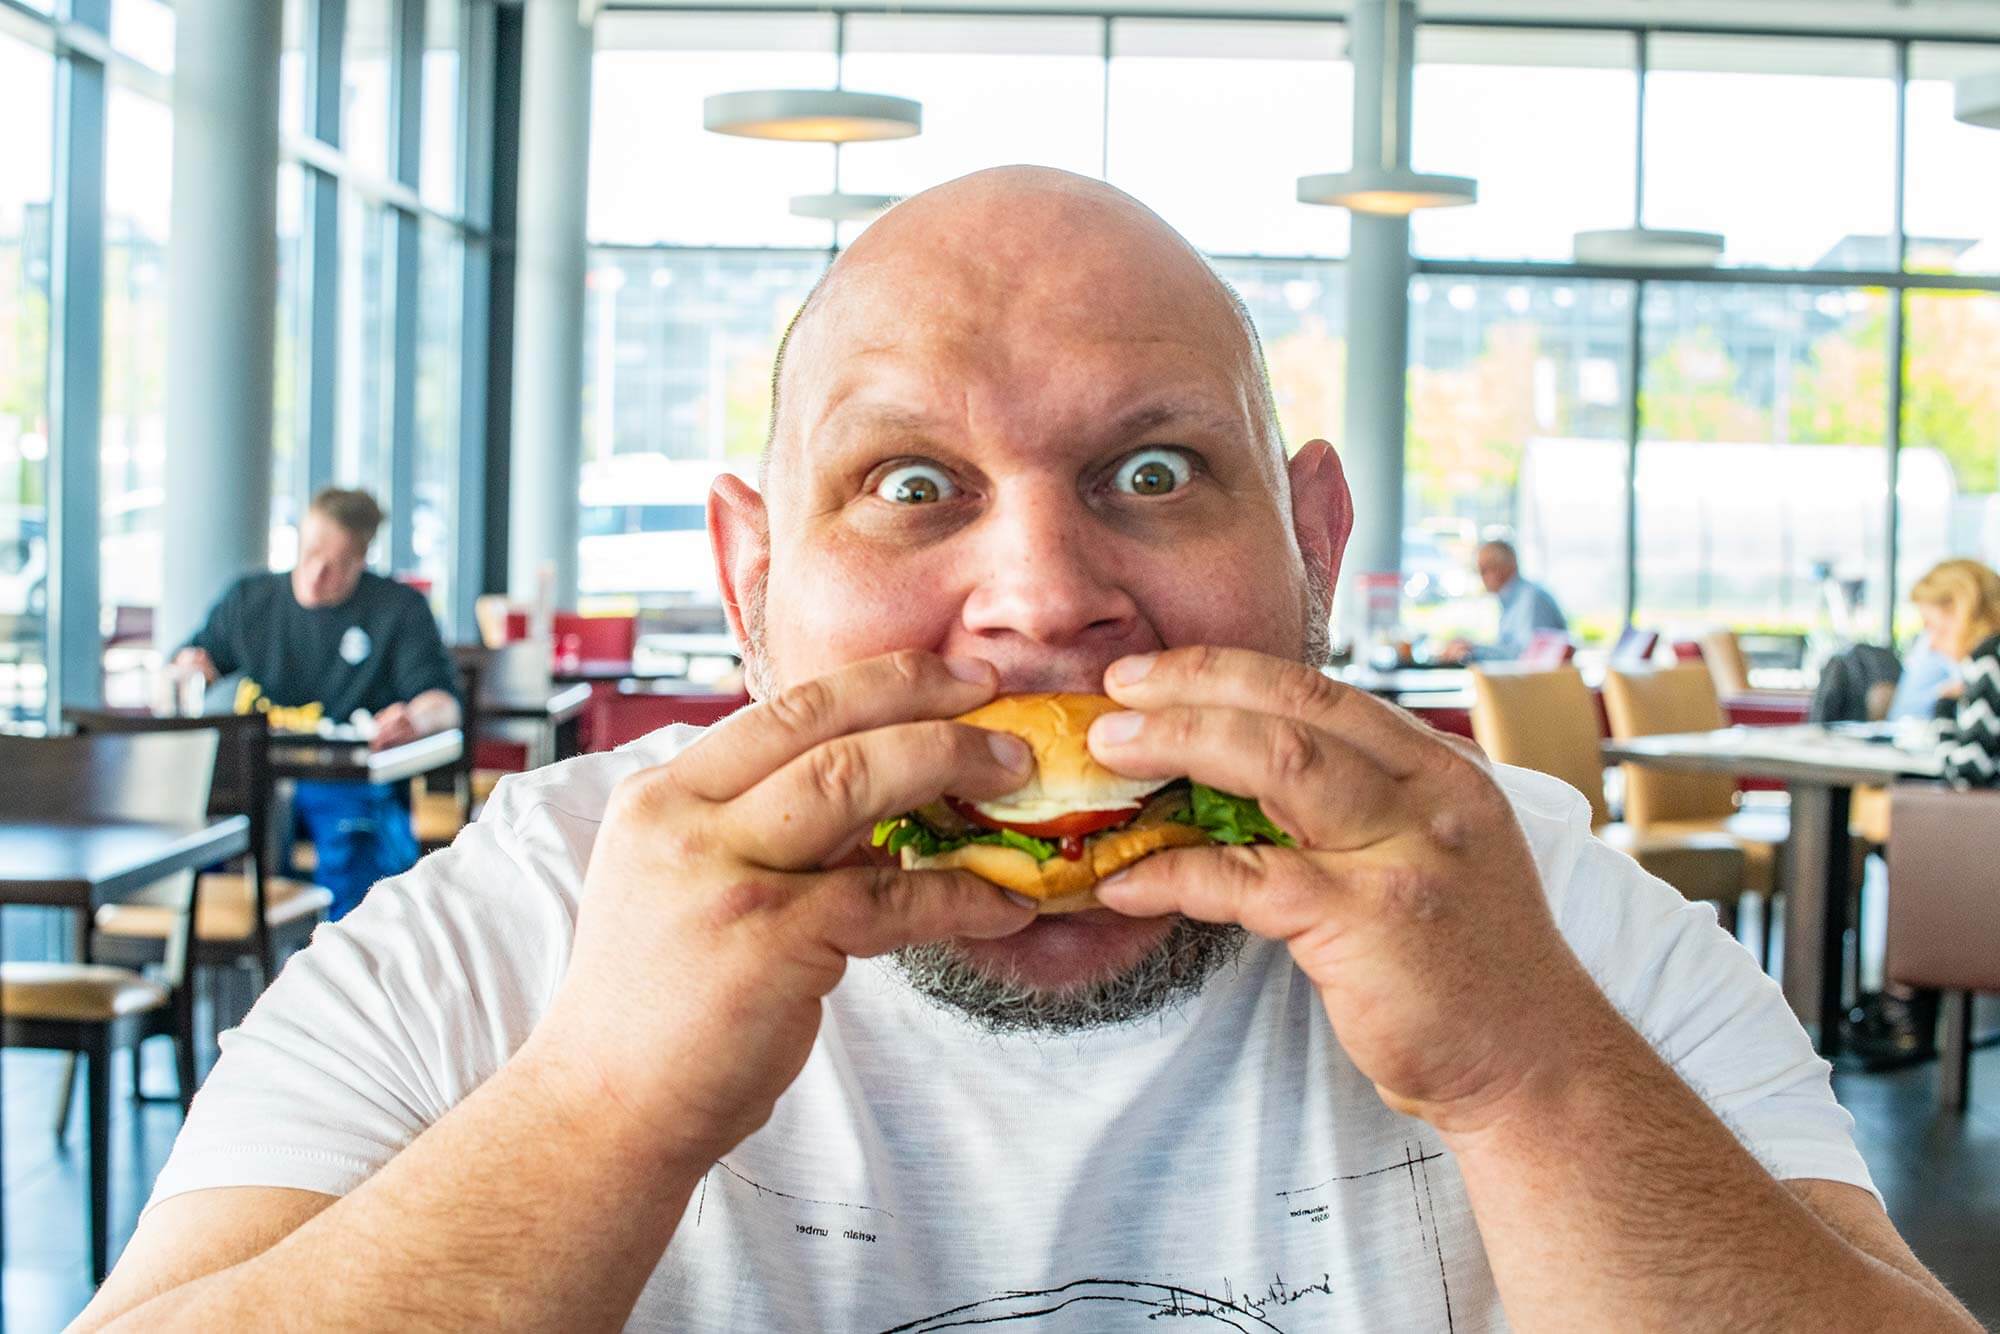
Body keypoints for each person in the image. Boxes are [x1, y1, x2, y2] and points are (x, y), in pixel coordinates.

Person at [81, 170, 1974, 1332]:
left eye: (1155, 471)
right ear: (751, 579)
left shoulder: (1534, 905)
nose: (1044, 598)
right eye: (912, 485)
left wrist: (1532, 1076)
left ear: (1312, 538)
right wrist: (597, 1109)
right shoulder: (507, 931)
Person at [171, 487, 461, 918]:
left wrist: (414, 719)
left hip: (351, 783)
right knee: (199, 837)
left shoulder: (397, 610)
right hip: (254, 783)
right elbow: (190, 665)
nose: (316, 573)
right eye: (309, 554)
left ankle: (351, 965)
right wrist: (185, 671)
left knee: (359, 852)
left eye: (336, 564)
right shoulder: (250, 601)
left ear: (361, 561)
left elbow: (443, 704)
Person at [1911, 558, 2000, 789]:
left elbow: (1966, 775)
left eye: (1932, 625)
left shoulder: (1988, 662)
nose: (1931, 644)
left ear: (1959, 610)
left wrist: (1945, 707)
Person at [1440, 538, 1568, 663]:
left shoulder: (1532, 599)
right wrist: (1471, 648)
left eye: (1485, 569)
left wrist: (1474, 650)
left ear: (1505, 567)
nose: (1482, 577)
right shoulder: (1511, 600)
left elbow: (1525, 656)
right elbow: (1509, 648)